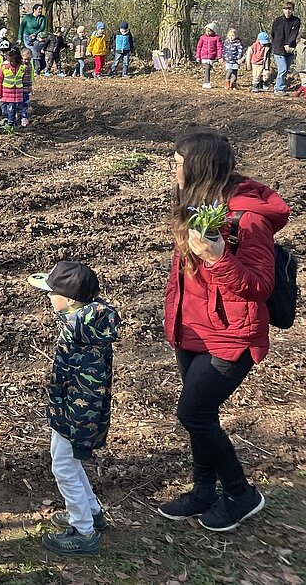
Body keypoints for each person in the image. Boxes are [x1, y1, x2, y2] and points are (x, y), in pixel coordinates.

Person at [158, 130, 287, 532]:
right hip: (193, 328)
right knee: (202, 414)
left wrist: (216, 257)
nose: (172, 167)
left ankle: (241, 494)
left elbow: (259, 286)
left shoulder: (247, 219)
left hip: (232, 336)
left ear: (196, 166)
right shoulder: (196, 204)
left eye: (177, 161)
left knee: (193, 412)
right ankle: (203, 492)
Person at [26, 262, 120, 556]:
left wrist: (64, 414)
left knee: (64, 468)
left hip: (74, 413)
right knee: (67, 461)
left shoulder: (75, 331)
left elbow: (71, 379)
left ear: (67, 300)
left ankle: (84, 533)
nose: (48, 297)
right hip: (80, 409)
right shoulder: (90, 319)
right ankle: (91, 513)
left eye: (52, 293)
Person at [270, 1, 300, 95]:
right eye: (286, 9)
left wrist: (288, 44)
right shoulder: (277, 21)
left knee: (285, 69)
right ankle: (279, 89)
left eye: (289, 9)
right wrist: (276, 44)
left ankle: (280, 85)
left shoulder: (296, 21)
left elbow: (294, 34)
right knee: (282, 69)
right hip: (278, 49)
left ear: (292, 10)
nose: (287, 11)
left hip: (289, 49)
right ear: (283, 10)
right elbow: (273, 34)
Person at [0, 47, 30, 129]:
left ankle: (11, 125)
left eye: (13, 61)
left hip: (16, 95)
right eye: (10, 61)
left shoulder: (22, 68)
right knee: (4, 111)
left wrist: (27, 91)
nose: (12, 63)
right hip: (4, 94)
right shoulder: (4, 67)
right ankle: (5, 123)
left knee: (12, 110)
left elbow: (25, 81)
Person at [196, 23, 223, 89]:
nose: (208, 33)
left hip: (212, 57)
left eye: (209, 31)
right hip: (204, 56)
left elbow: (219, 48)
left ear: (213, 31)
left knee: (207, 69)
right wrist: (198, 56)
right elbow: (199, 47)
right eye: (206, 31)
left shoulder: (216, 38)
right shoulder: (202, 37)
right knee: (207, 68)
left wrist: (219, 57)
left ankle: (205, 82)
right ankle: (207, 82)